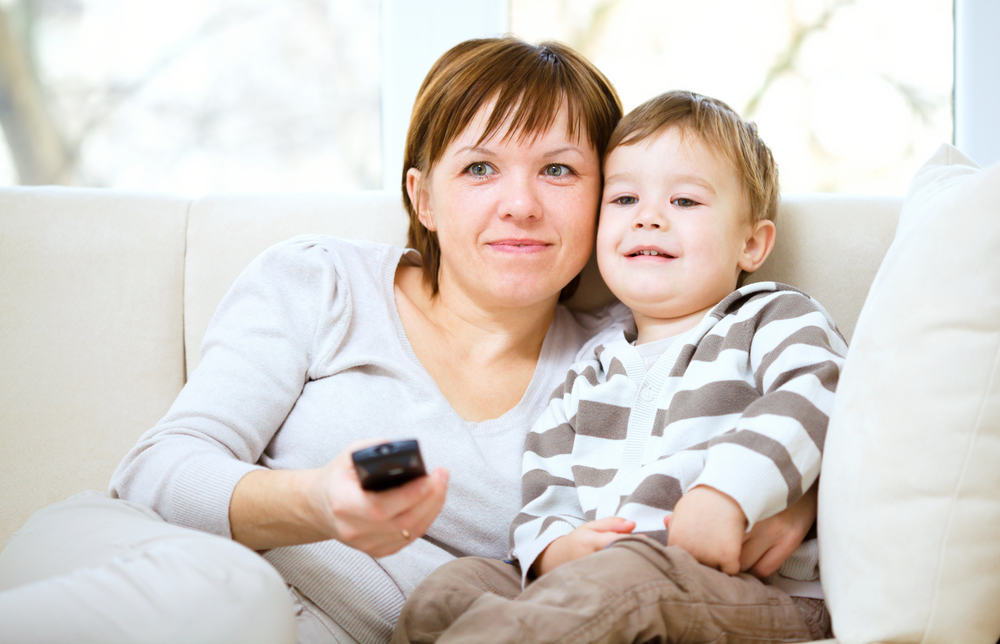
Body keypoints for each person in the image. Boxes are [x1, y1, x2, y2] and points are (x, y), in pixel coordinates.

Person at [0, 43, 818, 644]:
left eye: (561, 171)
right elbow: (153, 474)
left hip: (334, 634)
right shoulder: (320, 283)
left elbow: (798, 409)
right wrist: (317, 502)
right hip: (151, 566)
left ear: (605, 197)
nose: (522, 205)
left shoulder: (621, 366)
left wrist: (800, 496)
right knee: (231, 599)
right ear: (421, 197)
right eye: (479, 169)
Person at [393, 90, 847, 644]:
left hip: (751, 591)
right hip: (603, 578)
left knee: (626, 582)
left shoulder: (771, 318)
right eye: (625, 199)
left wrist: (728, 492)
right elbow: (547, 478)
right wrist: (554, 548)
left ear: (751, 243)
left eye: (685, 202)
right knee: (454, 589)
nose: (649, 218)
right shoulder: (591, 365)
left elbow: (820, 395)